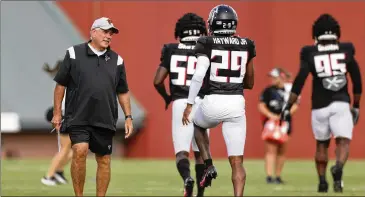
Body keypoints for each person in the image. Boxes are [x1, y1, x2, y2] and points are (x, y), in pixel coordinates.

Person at [52, 17, 134, 196]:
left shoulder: (117, 60)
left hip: (104, 117)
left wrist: (128, 117)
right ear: (93, 32)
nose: (109, 36)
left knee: (104, 160)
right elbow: (60, 85)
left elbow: (123, 91)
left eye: (111, 33)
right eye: (105, 32)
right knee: (79, 150)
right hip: (78, 116)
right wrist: (57, 113)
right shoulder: (73, 54)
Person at [280, 14, 362, 193]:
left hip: (319, 105)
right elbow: (357, 79)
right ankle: (338, 167)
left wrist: (288, 106)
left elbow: (300, 80)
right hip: (341, 102)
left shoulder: (310, 52)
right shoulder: (346, 49)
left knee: (321, 144)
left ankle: (322, 182)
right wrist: (356, 105)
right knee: (343, 142)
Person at [182, 4, 256, 196]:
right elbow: (250, 82)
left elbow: (198, 76)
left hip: (213, 100)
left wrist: (189, 104)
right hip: (236, 103)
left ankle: (208, 164)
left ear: (213, 23)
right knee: (237, 162)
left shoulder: (207, 42)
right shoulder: (246, 44)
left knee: (197, 124)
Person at [153, 13, 208, 197]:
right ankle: (200, 193)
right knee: (201, 152)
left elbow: (157, 80)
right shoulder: (206, 49)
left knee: (181, 152)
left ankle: (187, 179)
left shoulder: (171, 49)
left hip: (180, 103)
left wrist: (167, 97)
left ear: (180, 30)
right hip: (201, 103)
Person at [258, 67, 299, 184]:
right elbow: (261, 105)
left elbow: (295, 105)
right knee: (270, 150)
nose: (272, 79)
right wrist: (271, 115)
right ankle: (269, 176)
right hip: (271, 123)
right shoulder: (268, 91)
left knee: (282, 150)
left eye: (275, 77)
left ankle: (278, 176)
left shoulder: (290, 90)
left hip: (285, 123)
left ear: (282, 77)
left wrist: (285, 114)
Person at [41, 61, 73, 186]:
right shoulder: (67, 83)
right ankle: (48, 176)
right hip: (65, 117)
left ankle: (58, 172)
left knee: (74, 150)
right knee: (65, 149)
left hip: (68, 117)